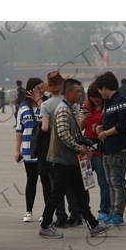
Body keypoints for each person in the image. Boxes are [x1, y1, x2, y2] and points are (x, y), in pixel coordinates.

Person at [38, 78, 114, 239]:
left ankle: (93, 225)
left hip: (70, 160)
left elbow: (74, 133)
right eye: (78, 91)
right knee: (57, 194)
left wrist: (85, 142)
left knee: (79, 194)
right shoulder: (63, 110)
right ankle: (45, 226)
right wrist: (79, 148)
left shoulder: (71, 108)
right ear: (68, 92)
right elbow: (64, 134)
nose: (81, 94)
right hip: (63, 160)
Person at [37, 71, 86, 228]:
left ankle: (60, 217)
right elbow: (78, 128)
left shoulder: (47, 105)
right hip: (70, 153)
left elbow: (44, 127)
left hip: (55, 151)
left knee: (56, 189)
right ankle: (79, 216)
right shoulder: (71, 106)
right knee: (73, 189)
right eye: (78, 91)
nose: (80, 93)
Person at [94, 71, 126, 227]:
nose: (99, 93)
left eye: (99, 89)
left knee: (117, 182)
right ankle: (111, 211)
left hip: (119, 149)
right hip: (107, 148)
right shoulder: (108, 103)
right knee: (110, 182)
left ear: (104, 87)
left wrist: (105, 133)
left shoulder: (121, 101)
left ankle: (118, 213)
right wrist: (101, 129)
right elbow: (111, 123)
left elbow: (122, 125)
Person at [15, 78, 52, 223]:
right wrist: (17, 150)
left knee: (45, 180)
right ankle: (28, 211)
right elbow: (19, 129)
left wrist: (39, 101)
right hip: (28, 149)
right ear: (30, 90)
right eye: (37, 88)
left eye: (42, 88)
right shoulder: (23, 107)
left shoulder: (46, 104)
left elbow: (48, 121)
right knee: (31, 180)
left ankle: (46, 212)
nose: (41, 91)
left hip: (44, 150)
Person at [78, 82, 111, 221]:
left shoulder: (107, 107)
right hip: (86, 150)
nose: (95, 100)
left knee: (104, 183)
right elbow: (78, 129)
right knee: (86, 183)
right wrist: (83, 120)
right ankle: (85, 211)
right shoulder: (85, 107)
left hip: (101, 151)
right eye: (92, 97)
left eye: (97, 97)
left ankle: (104, 210)